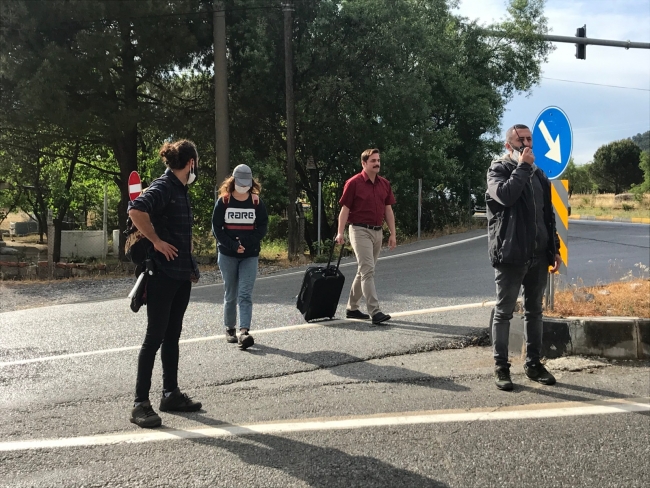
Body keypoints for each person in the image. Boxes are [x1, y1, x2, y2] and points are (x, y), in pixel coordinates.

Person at [127, 139, 203, 428]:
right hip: (162, 275)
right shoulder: (165, 186)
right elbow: (135, 209)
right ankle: (139, 404)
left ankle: (170, 393)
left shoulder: (180, 188)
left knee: (172, 335)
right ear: (191, 163)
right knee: (154, 338)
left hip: (180, 274)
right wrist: (157, 242)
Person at [486, 124, 562, 391]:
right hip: (511, 254)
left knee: (535, 312)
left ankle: (533, 364)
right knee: (504, 313)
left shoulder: (540, 175)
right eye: (522, 140)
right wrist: (522, 167)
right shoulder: (498, 169)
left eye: (530, 139)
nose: (528, 143)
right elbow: (505, 196)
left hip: (539, 256)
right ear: (509, 146)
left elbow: (547, 215)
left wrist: (554, 249)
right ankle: (502, 367)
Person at [335, 148, 396, 325]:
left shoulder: (384, 184)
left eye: (378, 160)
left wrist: (392, 233)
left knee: (364, 271)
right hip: (359, 230)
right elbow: (344, 210)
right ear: (364, 163)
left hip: (378, 231)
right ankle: (375, 311)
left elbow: (388, 210)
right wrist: (340, 232)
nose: (377, 163)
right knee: (368, 270)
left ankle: (352, 308)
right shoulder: (353, 183)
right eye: (373, 161)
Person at [212, 164, 268, 349]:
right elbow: (217, 229)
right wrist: (234, 245)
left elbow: (262, 228)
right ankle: (230, 328)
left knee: (245, 294)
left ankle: (244, 332)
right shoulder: (224, 201)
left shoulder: (256, 202)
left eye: (247, 184)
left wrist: (247, 243)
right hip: (227, 254)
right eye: (240, 183)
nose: (243, 187)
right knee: (231, 294)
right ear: (233, 181)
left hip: (250, 255)